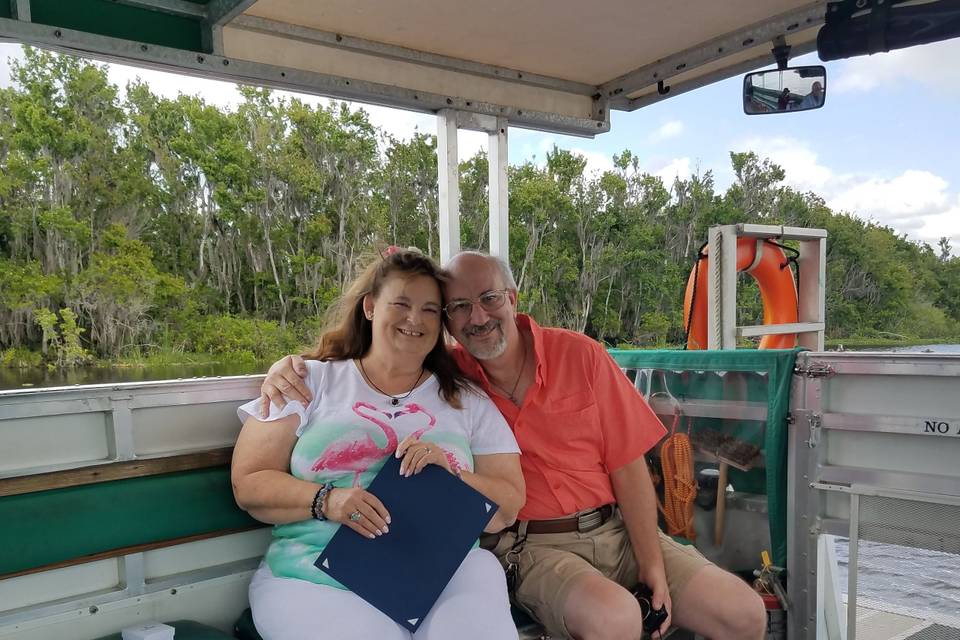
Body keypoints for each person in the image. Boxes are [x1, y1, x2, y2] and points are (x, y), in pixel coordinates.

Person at [261, 251, 768, 640]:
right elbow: (374, 362)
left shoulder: (582, 356)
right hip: (531, 543)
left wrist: (652, 565)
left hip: (613, 528)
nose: (477, 316)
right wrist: (290, 367)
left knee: (744, 614)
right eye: (459, 307)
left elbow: (628, 467)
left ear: (513, 297)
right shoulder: (453, 379)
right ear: (449, 324)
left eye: (488, 299)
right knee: (618, 619)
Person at [233, 248, 525, 640]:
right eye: (401, 304)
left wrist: (452, 476)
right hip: (315, 575)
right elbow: (249, 484)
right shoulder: (308, 382)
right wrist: (329, 501)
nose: (414, 319)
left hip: (443, 571)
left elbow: (506, 508)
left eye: (429, 310)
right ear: (370, 306)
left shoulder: (466, 399)